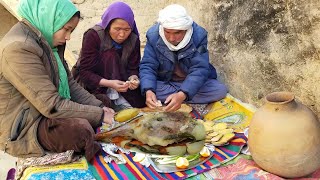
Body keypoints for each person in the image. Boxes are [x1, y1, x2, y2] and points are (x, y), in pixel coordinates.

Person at [0, 0, 115, 161]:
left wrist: (100, 107)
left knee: (104, 101)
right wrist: (99, 115)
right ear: (49, 19)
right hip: (26, 126)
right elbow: (51, 105)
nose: (67, 37)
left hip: (45, 112)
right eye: (66, 29)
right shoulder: (19, 48)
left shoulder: (49, 42)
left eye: (71, 31)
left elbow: (71, 86)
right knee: (81, 131)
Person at [139, 4, 228, 112]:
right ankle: (179, 97)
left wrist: (183, 94)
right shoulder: (154, 35)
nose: (172, 38)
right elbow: (148, 65)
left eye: (177, 33)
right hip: (167, 82)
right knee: (144, 87)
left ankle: (178, 97)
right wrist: (149, 90)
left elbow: (200, 69)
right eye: (167, 32)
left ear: (185, 29)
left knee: (219, 90)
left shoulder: (198, 36)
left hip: (190, 82)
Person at [77, 1, 145, 111]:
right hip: (95, 85)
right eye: (117, 29)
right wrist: (109, 83)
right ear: (108, 25)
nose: (122, 35)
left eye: (127, 30)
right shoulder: (93, 35)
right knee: (110, 54)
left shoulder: (133, 39)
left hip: (122, 84)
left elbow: (133, 67)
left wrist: (133, 78)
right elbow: (85, 72)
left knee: (142, 100)